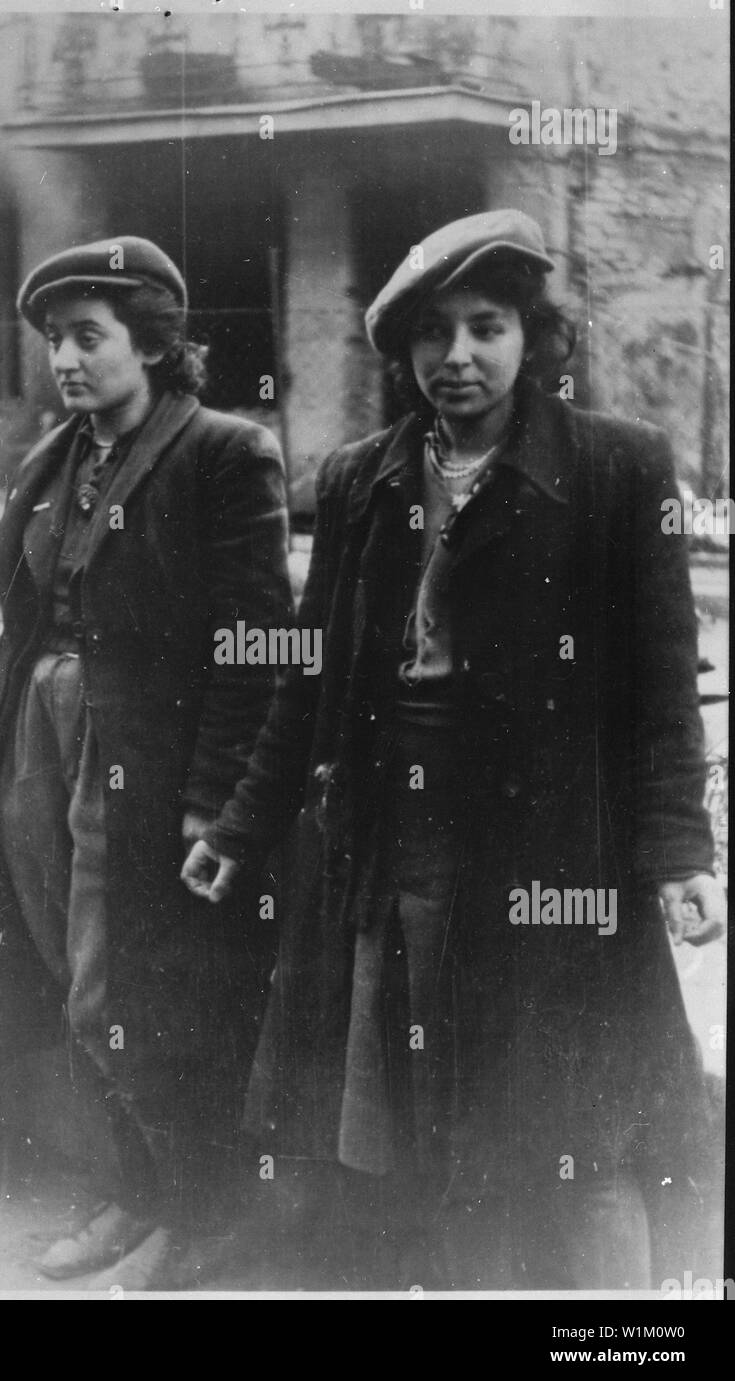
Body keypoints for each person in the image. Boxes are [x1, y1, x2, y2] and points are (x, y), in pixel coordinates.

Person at [182, 209, 726, 1290]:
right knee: (422, 1120)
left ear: (533, 336)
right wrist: (241, 824)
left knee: (577, 1128)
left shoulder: (616, 469)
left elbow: (660, 683)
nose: (458, 357)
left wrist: (676, 856)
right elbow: (314, 674)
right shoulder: (359, 480)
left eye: (486, 326)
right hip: (396, 851)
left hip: (557, 855)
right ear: (402, 353)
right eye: (432, 335)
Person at [0, 236, 292, 1284]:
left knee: (127, 988)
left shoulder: (221, 452)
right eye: (56, 341)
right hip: (39, 735)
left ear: (151, 344)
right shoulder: (49, 461)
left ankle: (197, 1211)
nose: (66, 360)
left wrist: (210, 799)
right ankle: (132, 1190)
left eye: (89, 338)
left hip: (143, 757)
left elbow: (256, 644)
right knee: (66, 963)